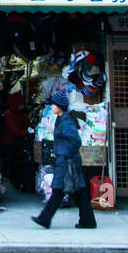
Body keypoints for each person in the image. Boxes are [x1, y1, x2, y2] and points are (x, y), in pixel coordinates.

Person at [32, 88, 97, 230]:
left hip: (68, 161)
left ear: (60, 106)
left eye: (54, 105)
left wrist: (65, 154)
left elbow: (76, 141)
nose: (52, 107)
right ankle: (88, 221)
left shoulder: (66, 122)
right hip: (67, 160)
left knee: (58, 190)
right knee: (78, 192)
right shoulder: (61, 119)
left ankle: (45, 218)